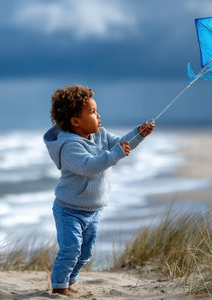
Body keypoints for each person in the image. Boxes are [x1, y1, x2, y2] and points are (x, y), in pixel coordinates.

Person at [43, 84, 155, 296]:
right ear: (76, 121)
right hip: (69, 210)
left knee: (85, 253)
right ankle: (59, 288)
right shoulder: (70, 146)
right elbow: (89, 166)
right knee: (71, 250)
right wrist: (115, 155)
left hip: (93, 210)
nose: (98, 115)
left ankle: (69, 282)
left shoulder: (100, 135)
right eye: (93, 112)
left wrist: (139, 133)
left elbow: (121, 143)